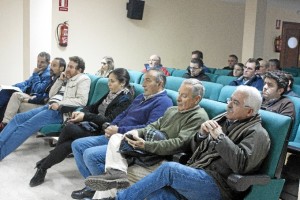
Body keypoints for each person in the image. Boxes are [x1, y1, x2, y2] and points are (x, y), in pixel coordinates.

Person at [91, 85, 271, 200]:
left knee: (170, 169)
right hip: (196, 173)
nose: (229, 104)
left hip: (219, 186)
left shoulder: (258, 133)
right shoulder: (223, 119)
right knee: (155, 195)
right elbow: (193, 149)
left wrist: (220, 138)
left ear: (249, 112)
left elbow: (242, 165)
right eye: (230, 99)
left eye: (236, 102)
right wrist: (200, 135)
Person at [84, 79, 209, 194]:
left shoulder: (198, 116)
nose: (179, 98)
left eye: (184, 96)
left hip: (162, 160)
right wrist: (136, 133)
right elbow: (152, 126)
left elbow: (179, 144)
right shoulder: (172, 110)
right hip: (148, 153)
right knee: (117, 137)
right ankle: (117, 173)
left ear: (196, 99)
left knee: (111, 183)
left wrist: (145, 145)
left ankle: (116, 175)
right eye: (179, 93)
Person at [70, 69, 173, 199]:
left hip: (129, 141)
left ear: (160, 83)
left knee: (90, 155)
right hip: (116, 134)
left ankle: (111, 192)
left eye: (148, 80)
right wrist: (112, 125)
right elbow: (124, 114)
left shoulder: (163, 102)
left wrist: (119, 130)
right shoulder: (141, 97)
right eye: (143, 80)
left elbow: (148, 128)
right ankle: (94, 188)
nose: (143, 84)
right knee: (77, 145)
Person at [29, 68, 134, 187]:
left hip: (103, 131)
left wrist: (85, 116)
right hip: (93, 125)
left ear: (123, 83)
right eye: (108, 80)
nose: (109, 84)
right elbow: (93, 107)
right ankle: (43, 167)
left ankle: (43, 165)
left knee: (69, 129)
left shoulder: (126, 99)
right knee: (68, 144)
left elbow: (109, 120)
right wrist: (82, 112)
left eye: (112, 81)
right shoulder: (111, 92)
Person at [0, 56, 91, 161]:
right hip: (49, 106)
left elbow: (82, 101)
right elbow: (51, 94)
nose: (68, 69)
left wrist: (60, 104)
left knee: (25, 127)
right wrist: (60, 80)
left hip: (59, 112)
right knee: (18, 118)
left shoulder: (83, 79)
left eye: (71, 67)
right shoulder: (66, 78)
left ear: (79, 70)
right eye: (68, 66)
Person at [0, 58, 66, 131]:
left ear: (61, 68)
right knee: (12, 94)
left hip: (44, 105)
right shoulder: (52, 78)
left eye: (54, 65)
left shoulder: (58, 80)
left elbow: (46, 96)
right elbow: (29, 84)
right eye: (51, 65)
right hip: (36, 97)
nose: (51, 68)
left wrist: (30, 100)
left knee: (15, 104)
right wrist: (12, 86)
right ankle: (5, 124)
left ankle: (6, 125)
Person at [0, 52, 52, 124]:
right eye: (38, 61)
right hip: (27, 93)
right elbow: (26, 82)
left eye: (42, 62)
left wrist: (35, 74)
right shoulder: (39, 71)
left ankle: (5, 123)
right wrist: (12, 86)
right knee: (5, 91)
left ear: (48, 63)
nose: (39, 64)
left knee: (12, 94)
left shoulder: (48, 75)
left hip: (35, 96)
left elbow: (38, 89)